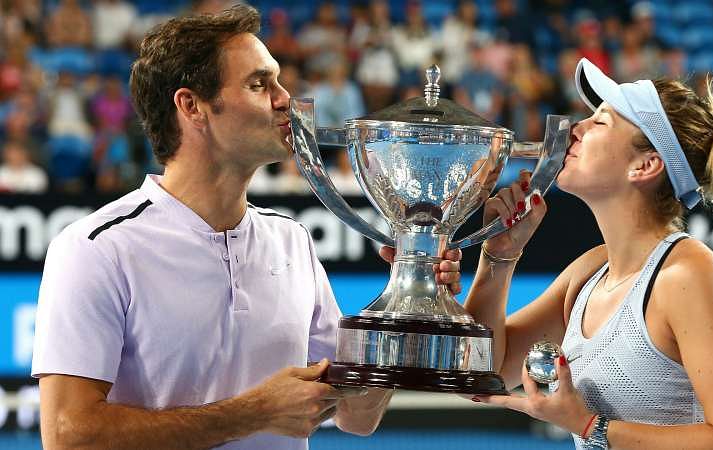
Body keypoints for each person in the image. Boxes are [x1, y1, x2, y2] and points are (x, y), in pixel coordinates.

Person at [32, 6, 462, 449]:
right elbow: (69, 437)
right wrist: (254, 413)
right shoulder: (97, 248)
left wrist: (408, 300)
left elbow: (357, 414)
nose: (284, 100)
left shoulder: (291, 240)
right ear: (192, 106)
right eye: (259, 84)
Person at [464, 58, 713, 449]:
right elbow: (477, 372)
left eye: (600, 122)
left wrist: (590, 424)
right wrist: (499, 257)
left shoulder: (689, 275)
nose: (576, 129)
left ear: (645, 165)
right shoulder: (589, 272)